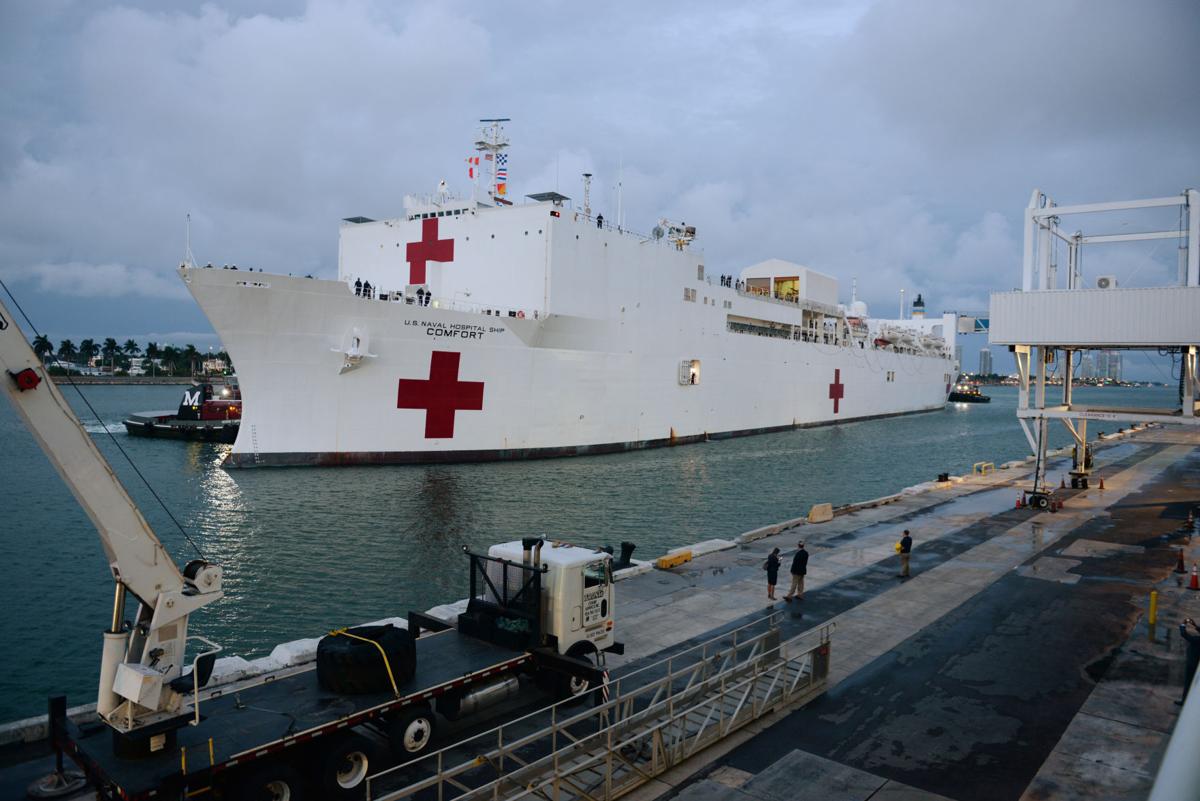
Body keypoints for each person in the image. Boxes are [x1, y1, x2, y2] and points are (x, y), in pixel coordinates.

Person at [1181, 618, 1200, 704]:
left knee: (1188, 683)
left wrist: (1183, 625)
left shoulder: (1197, 640)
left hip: (1192, 663)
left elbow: (1184, 634)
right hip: (1196, 663)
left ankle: (1184, 701)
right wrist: (1194, 625)